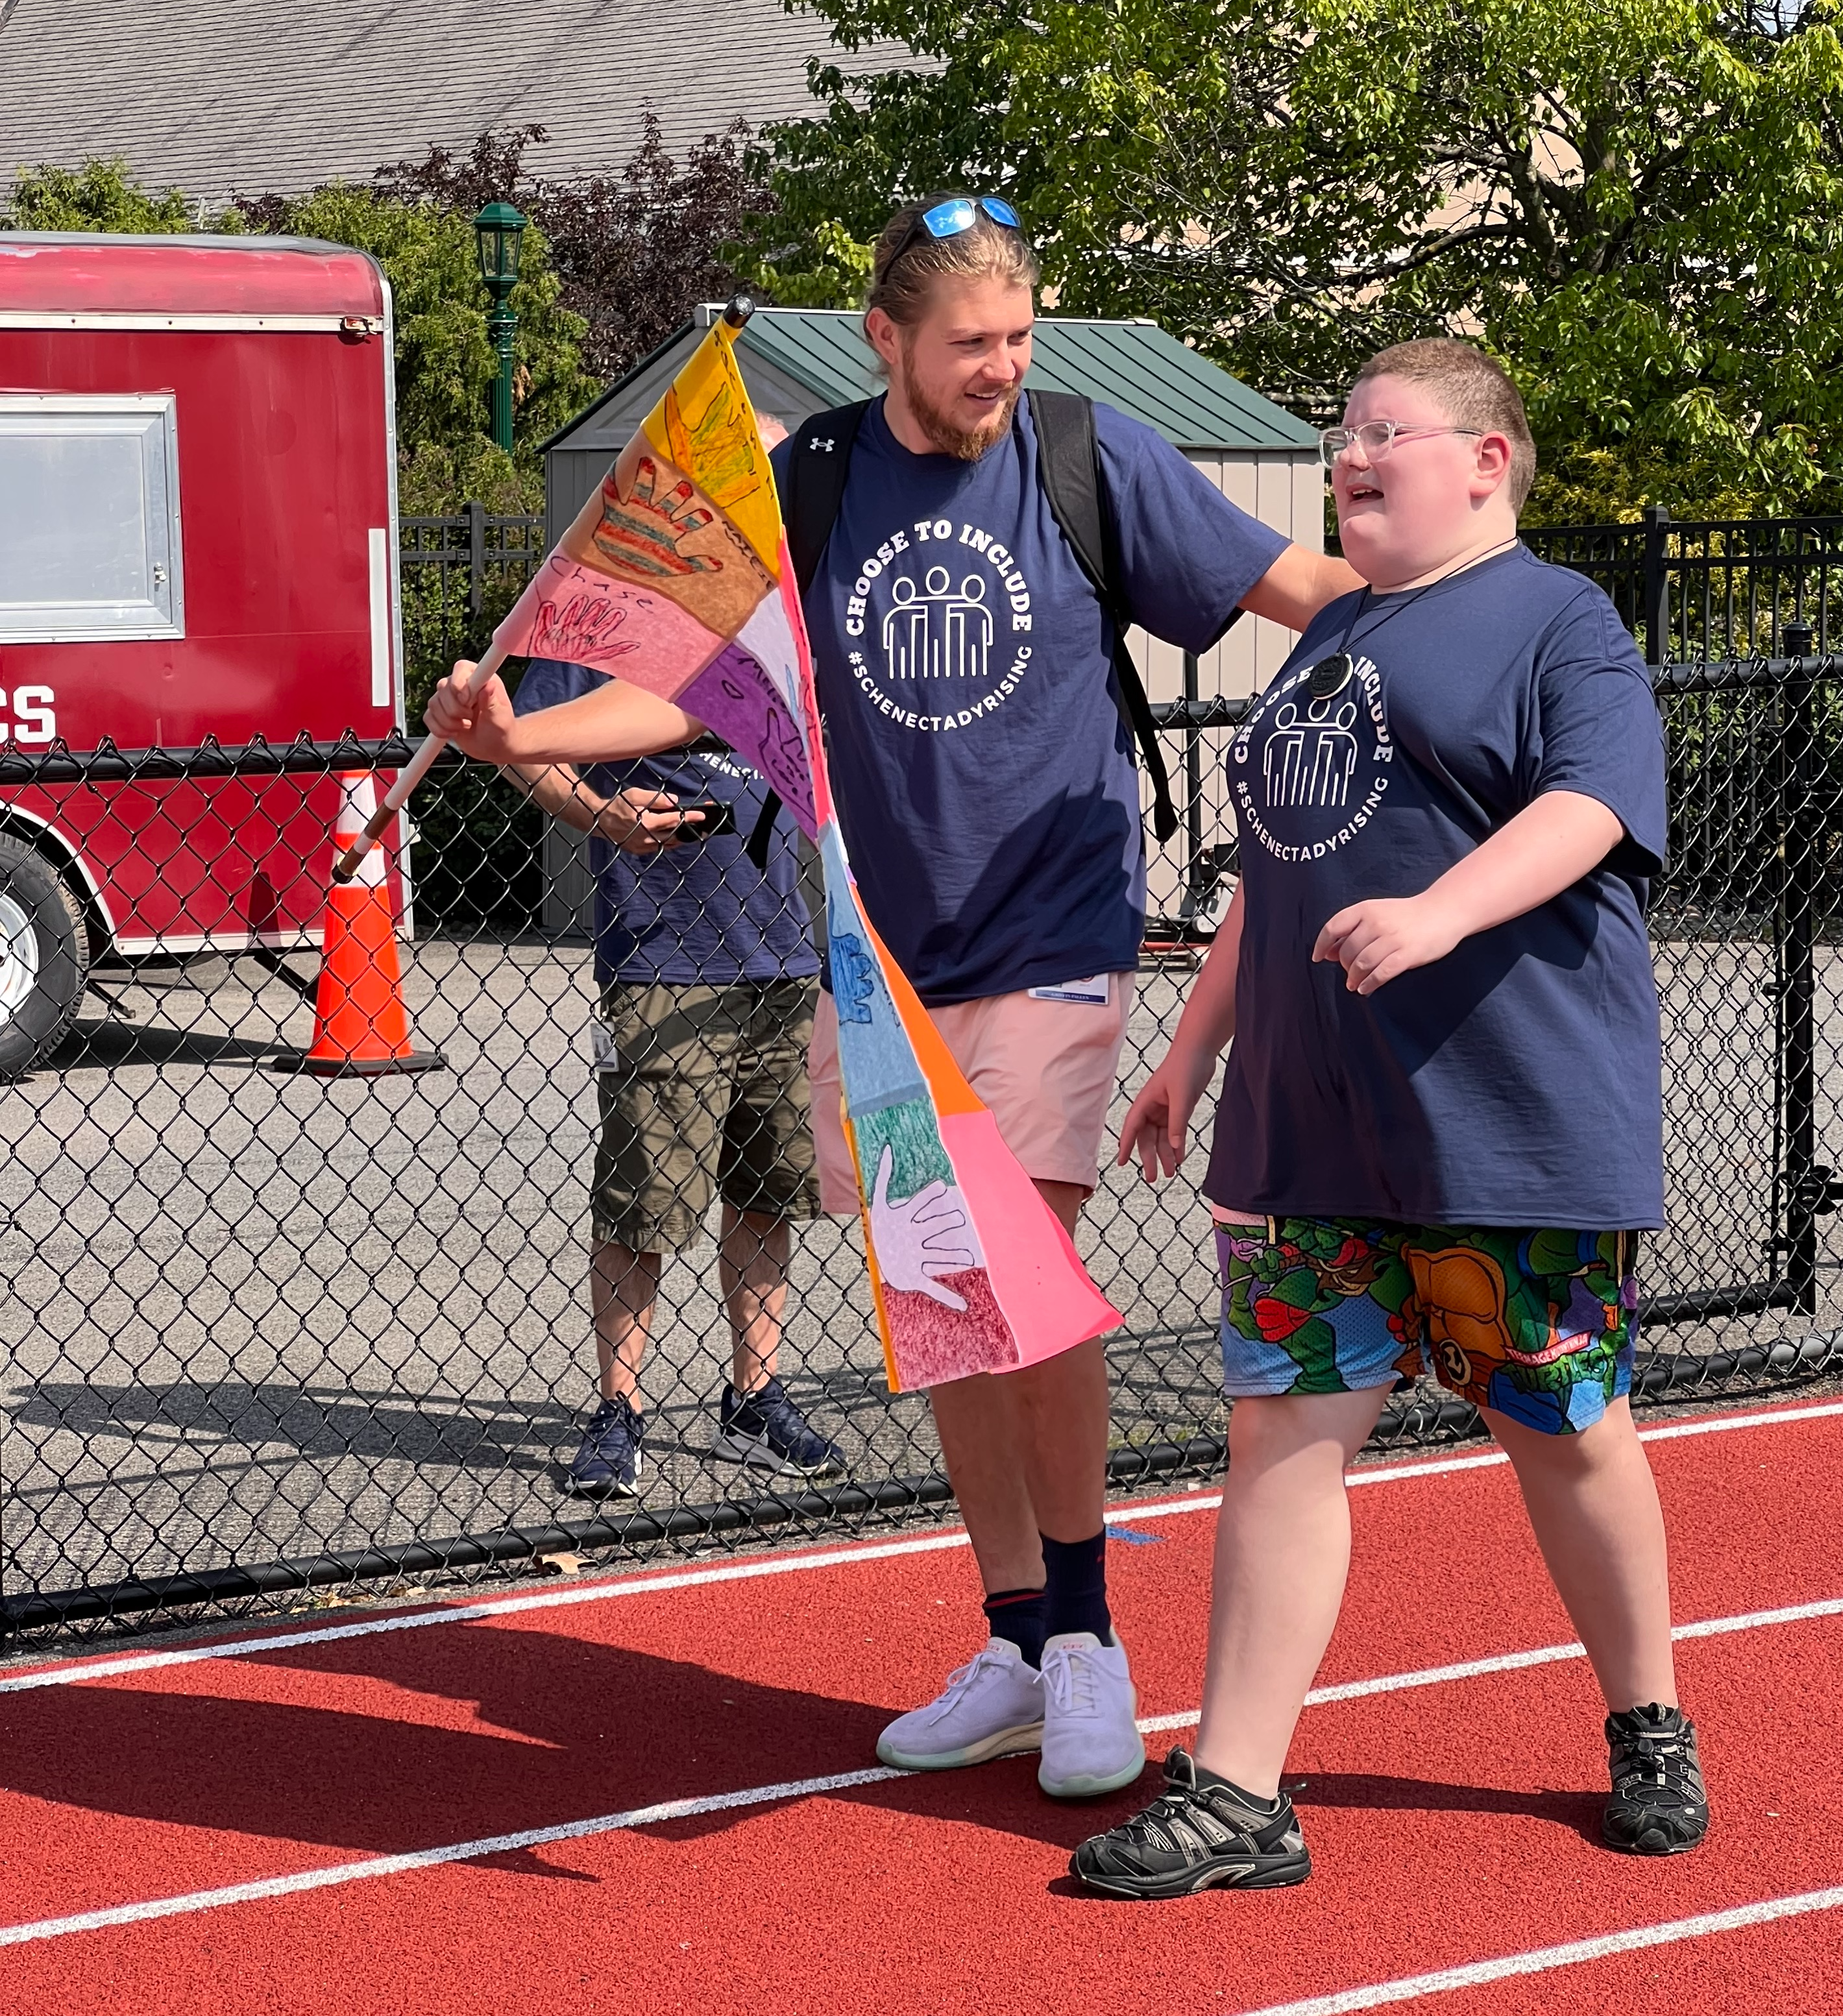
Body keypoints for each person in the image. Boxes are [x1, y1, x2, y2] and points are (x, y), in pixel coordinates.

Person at [425, 195, 1360, 1801]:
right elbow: (695, 682)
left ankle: (1084, 1638)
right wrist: (524, 741)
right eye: (970, 343)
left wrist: (1482, 615)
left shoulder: (1087, 452)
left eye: (1019, 336)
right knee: (945, 1309)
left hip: (1057, 931)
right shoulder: (816, 480)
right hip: (878, 961)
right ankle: (1011, 1634)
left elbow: (1302, 585)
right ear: (885, 340)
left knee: (1024, 1271)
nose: (1003, 365)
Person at [1069, 338, 1709, 1899]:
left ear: (1486, 462)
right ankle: (1237, 1788)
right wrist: (1193, 1048)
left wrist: (1435, 914)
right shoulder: (1327, 634)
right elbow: (1280, 868)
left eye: (1385, 432)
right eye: (1339, 433)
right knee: (1282, 1429)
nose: (1350, 454)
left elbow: (1596, 805)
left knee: (1559, 1425)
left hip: (1508, 1119)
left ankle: (1650, 1718)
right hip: (1312, 1126)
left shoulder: (1560, 618)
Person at [502, 638, 846, 1497]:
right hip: (662, 962)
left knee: (767, 1191)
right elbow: (522, 746)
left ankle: (753, 1396)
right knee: (641, 1203)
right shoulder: (601, 621)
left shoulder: (777, 620)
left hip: (782, 955)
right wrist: (598, 813)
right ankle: (620, 1409)